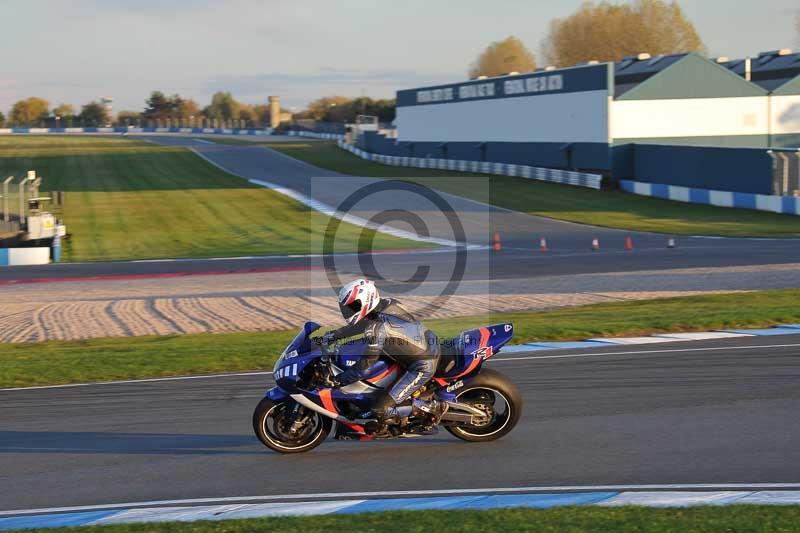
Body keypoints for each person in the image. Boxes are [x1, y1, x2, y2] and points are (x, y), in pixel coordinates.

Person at [320, 279, 443, 425]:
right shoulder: (388, 303)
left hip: (422, 365)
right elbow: (363, 325)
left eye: (353, 306)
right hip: (426, 341)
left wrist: (338, 380)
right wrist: (334, 335)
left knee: (380, 409)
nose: (349, 311)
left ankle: (431, 407)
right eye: (347, 307)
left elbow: (364, 367)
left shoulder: (377, 329)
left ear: (366, 301)